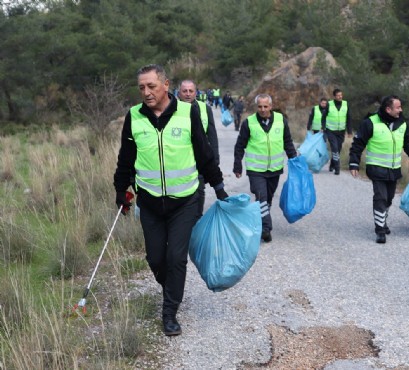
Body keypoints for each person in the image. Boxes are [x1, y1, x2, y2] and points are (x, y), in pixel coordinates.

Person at [113, 64, 228, 336]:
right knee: (156, 259)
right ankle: (172, 289)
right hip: (150, 202)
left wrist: (219, 186)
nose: (146, 92)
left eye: (151, 86)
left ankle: (170, 312)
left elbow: (204, 153)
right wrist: (121, 191)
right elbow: (126, 158)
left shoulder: (189, 112)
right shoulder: (134, 117)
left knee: (176, 257)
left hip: (185, 201)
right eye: (141, 87)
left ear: (166, 85)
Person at [349, 95, 409, 244]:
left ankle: (382, 220)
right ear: (388, 109)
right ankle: (380, 230)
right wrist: (353, 163)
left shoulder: (402, 125)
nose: (401, 110)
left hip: (394, 169)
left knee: (389, 198)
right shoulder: (370, 123)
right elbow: (358, 144)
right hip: (376, 168)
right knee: (381, 197)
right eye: (398, 107)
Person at [233, 94, 297, 243]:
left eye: (265, 106)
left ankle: (261, 219)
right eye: (260, 106)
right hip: (256, 169)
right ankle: (266, 228)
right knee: (261, 196)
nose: (262, 109)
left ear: (271, 106)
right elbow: (240, 145)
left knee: (267, 199)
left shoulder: (281, 121)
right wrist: (237, 165)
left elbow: (287, 142)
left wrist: (293, 159)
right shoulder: (249, 123)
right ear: (257, 107)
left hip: (275, 168)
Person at [178, 79, 220, 217]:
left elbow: (212, 135)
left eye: (191, 91)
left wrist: (215, 159)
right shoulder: (172, 108)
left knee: (199, 192)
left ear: (196, 92)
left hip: (200, 160)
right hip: (180, 162)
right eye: (185, 91)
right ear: (179, 92)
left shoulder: (204, 108)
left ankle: (196, 220)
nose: (188, 94)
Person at [323, 88, 352, 175]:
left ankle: (332, 165)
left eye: (341, 95)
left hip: (341, 131)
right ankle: (337, 167)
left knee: (338, 149)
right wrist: (323, 127)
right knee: (334, 148)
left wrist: (349, 131)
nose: (340, 97)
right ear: (334, 96)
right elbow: (324, 117)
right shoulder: (329, 104)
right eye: (338, 95)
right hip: (330, 130)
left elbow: (349, 118)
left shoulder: (346, 104)